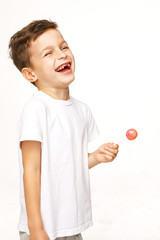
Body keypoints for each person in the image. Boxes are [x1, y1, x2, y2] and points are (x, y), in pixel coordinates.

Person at [8, 19, 119, 240]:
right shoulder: (36, 110)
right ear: (31, 74)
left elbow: (69, 165)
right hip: (44, 227)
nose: (61, 54)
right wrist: (36, 228)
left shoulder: (81, 110)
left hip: (70, 224)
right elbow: (31, 171)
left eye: (64, 46)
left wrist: (96, 157)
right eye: (48, 53)